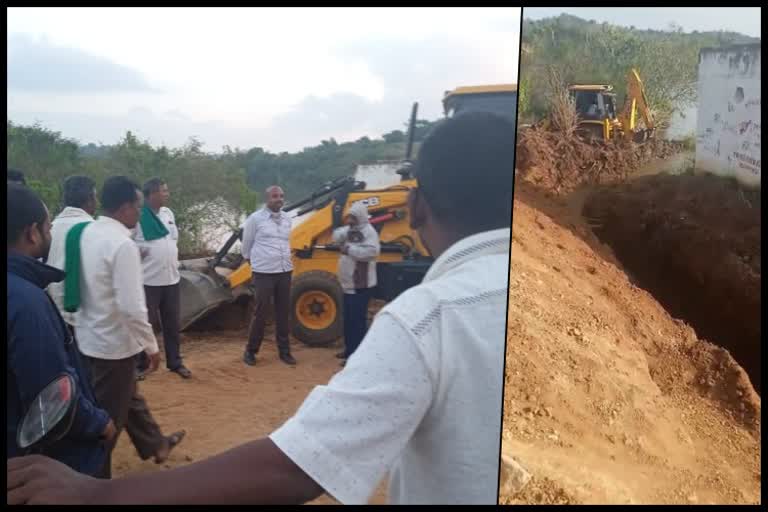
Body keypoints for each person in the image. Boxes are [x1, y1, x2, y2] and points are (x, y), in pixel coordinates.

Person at [7, 111, 514, 505]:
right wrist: (148, 342)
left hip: (115, 335)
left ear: (418, 204)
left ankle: (127, 455)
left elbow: (298, 466)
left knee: (117, 406)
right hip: (131, 331)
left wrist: (96, 495)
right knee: (118, 403)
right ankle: (153, 436)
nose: (275, 201)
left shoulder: (428, 317)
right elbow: (136, 298)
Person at [65, 176, 185, 478]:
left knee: (128, 396)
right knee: (107, 421)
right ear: (127, 207)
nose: (139, 213)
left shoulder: (86, 232)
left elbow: (77, 283)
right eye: (138, 206)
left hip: (89, 336)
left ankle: (156, 444)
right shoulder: (122, 245)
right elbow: (132, 307)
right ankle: (92, 480)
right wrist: (151, 346)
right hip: (114, 346)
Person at [7, 183, 117, 477]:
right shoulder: (26, 303)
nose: (51, 233)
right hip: (38, 459)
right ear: (32, 233)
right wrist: (97, 423)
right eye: (47, 226)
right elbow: (50, 395)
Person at [133, 178, 191, 380]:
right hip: (147, 281)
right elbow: (125, 242)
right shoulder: (138, 217)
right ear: (151, 195)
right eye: (164, 191)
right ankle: (142, 364)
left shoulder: (168, 214)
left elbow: (172, 239)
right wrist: (137, 252)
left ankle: (175, 363)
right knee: (145, 323)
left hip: (171, 279)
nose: (167, 193)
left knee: (172, 323)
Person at [241, 185, 297, 367]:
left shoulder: (288, 218)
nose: (279, 199)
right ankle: (250, 351)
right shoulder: (255, 219)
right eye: (275, 196)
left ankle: (284, 351)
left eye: (281, 196)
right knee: (261, 312)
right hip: (264, 272)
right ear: (267, 199)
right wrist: (254, 263)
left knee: (283, 312)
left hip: (284, 271)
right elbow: (246, 246)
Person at [47, 176, 98, 331]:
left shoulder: (49, 228)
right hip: (85, 317)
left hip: (52, 312)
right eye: (95, 197)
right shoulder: (95, 230)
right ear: (89, 200)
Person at [332, 200, 380, 366]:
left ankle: (356, 355)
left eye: (353, 217)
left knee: (357, 320)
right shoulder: (351, 230)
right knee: (348, 319)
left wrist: (349, 249)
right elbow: (336, 236)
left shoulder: (369, 232)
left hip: (361, 284)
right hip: (348, 284)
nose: (350, 220)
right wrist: (341, 234)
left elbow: (372, 252)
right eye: (349, 217)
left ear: (360, 217)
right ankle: (349, 349)